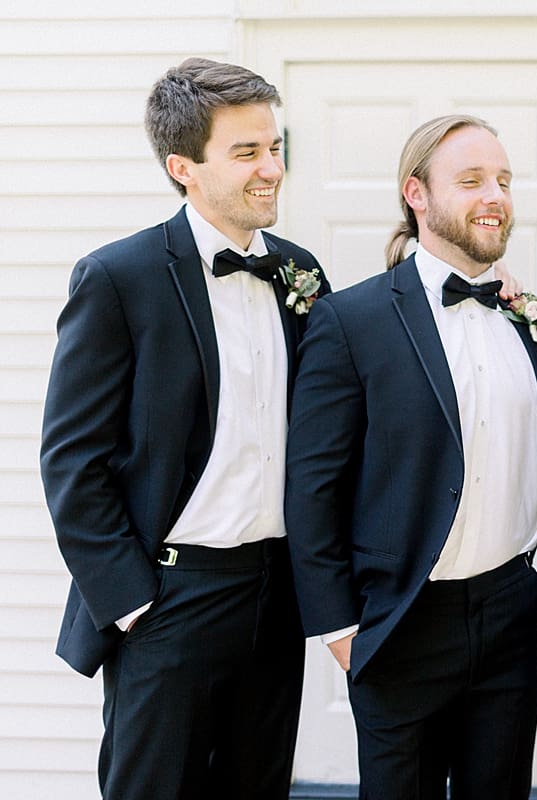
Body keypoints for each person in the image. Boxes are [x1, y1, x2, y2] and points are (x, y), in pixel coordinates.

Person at [39, 58, 329, 799]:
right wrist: (133, 602)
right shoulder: (117, 278)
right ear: (183, 167)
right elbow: (73, 462)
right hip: (167, 598)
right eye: (247, 153)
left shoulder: (301, 273)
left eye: (275, 147)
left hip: (274, 593)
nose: (272, 169)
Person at [285, 114, 537, 800]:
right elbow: (313, 485)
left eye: (502, 179)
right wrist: (340, 629)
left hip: (509, 614)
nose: (494, 194)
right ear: (417, 193)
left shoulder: (531, 321)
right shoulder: (351, 321)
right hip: (401, 622)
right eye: (470, 181)